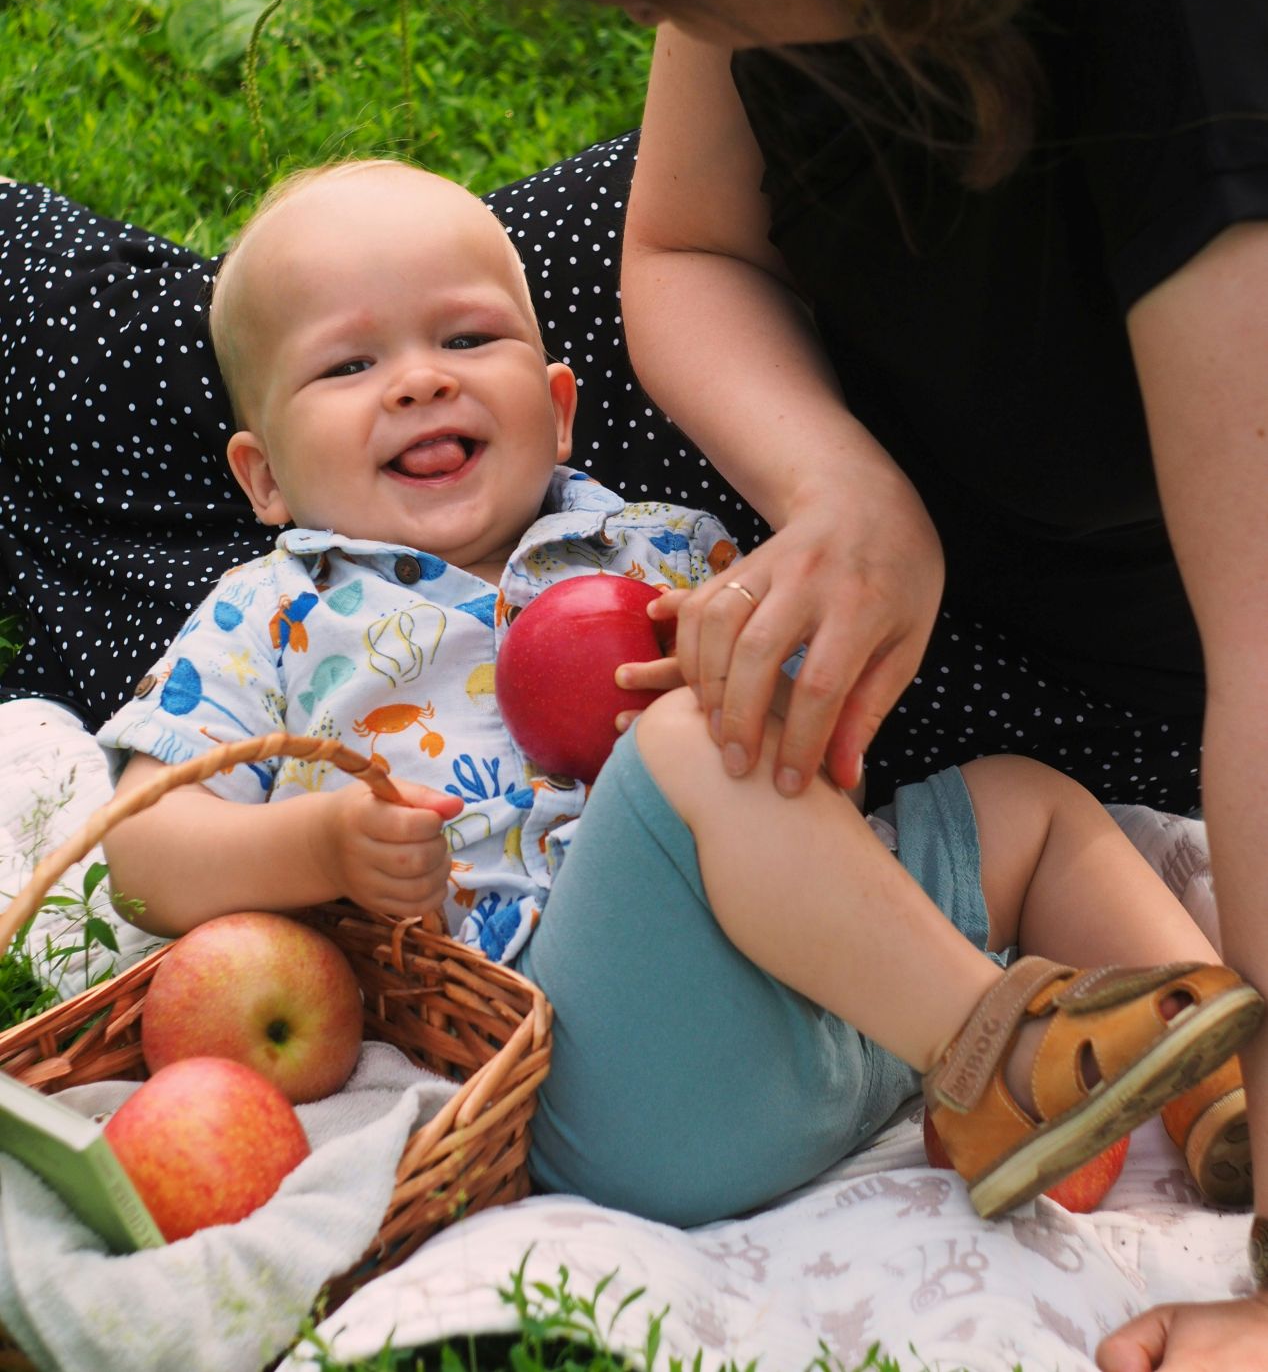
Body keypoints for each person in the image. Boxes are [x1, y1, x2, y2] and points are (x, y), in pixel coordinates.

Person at [384, 0, 1268, 1361]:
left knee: (446, 413)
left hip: (1111, 632)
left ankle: (1078, 1056)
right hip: (894, 442)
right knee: (396, 326)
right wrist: (836, 483)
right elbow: (687, 246)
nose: (636, 14)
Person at [95, 157, 1259, 1240]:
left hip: (848, 1002)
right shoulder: (275, 612)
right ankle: (999, 1061)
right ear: (263, 474)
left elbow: (817, 772)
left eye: (466, 335)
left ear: (557, 405)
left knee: (1032, 804)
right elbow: (143, 854)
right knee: (688, 742)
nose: (421, 379)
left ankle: (1221, 1082)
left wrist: (778, 678)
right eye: (349, 366)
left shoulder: (660, 547)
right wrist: (319, 845)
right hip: (612, 1074)